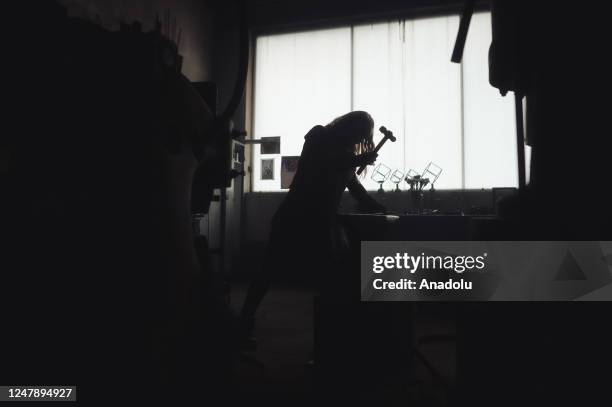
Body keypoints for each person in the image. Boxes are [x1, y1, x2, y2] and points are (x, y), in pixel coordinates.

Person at [239, 111, 385, 343]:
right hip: (295, 216)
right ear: (348, 128)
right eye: (358, 135)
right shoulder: (319, 135)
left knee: (330, 278)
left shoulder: (347, 155)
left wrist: (381, 209)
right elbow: (322, 163)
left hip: (321, 222)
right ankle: (244, 320)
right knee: (268, 270)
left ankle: (332, 334)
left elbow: (357, 190)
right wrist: (357, 161)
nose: (358, 141)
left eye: (362, 137)